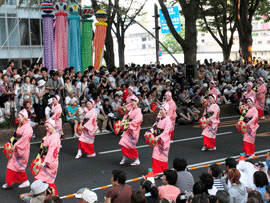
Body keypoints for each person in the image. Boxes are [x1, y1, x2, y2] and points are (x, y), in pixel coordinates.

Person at [2, 109, 32, 189]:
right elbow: (14, 136)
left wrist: (16, 145)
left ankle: (25, 181)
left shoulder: (28, 127)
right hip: (17, 148)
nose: (18, 119)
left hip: (23, 150)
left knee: (19, 167)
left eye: (19, 117)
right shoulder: (19, 126)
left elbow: (24, 139)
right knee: (11, 165)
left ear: (24, 117)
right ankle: (9, 182)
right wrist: (9, 143)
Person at [34, 118, 61, 195]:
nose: (46, 129)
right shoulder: (50, 134)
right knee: (43, 179)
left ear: (52, 126)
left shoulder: (55, 137)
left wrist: (45, 162)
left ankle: (54, 196)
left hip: (50, 162)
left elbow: (51, 151)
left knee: (46, 180)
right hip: (45, 160)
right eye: (45, 127)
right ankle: (50, 196)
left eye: (48, 126)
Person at [119, 95, 142, 166]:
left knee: (131, 146)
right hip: (128, 129)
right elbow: (126, 115)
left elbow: (135, 122)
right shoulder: (131, 109)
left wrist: (125, 123)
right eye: (132, 101)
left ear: (137, 102)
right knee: (122, 142)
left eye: (134, 101)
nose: (132, 102)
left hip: (134, 130)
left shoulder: (138, 111)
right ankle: (124, 157)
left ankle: (137, 159)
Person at [151, 103, 172, 174]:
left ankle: (164, 172)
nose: (161, 111)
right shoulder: (159, 118)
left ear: (166, 111)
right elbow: (155, 127)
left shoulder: (168, 120)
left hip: (164, 141)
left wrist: (159, 137)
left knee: (163, 157)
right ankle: (156, 172)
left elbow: (166, 132)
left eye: (162, 109)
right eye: (160, 109)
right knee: (155, 155)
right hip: (158, 139)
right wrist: (150, 133)